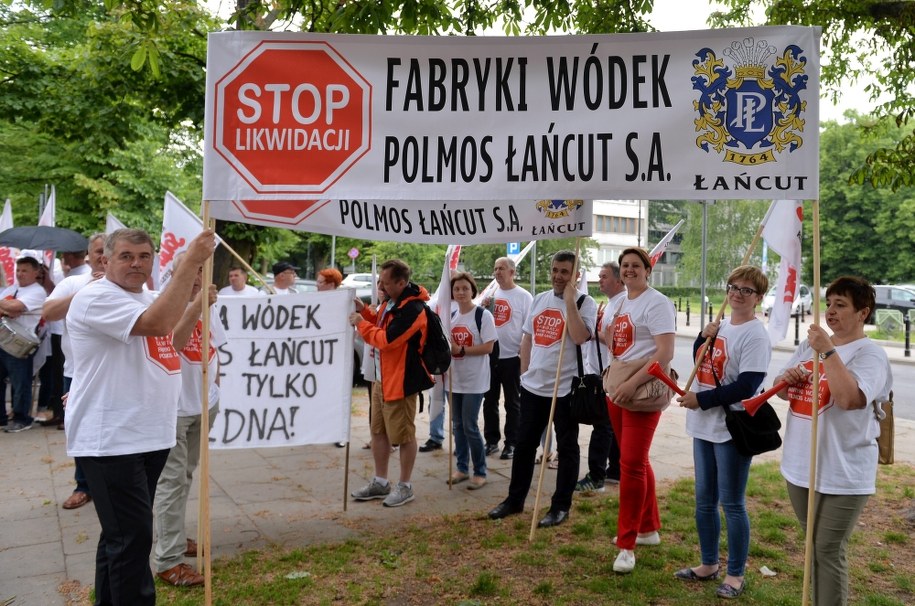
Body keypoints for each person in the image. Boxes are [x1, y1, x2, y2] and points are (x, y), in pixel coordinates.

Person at [65, 227, 215, 605]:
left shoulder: (147, 296)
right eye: (126, 256)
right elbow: (156, 325)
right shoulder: (97, 297)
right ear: (106, 260)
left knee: (119, 536)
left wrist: (195, 306)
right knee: (132, 539)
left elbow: (169, 342)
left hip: (147, 435)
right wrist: (193, 262)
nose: (136, 263)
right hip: (112, 438)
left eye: (144, 256)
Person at [773, 276, 892, 606]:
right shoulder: (806, 345)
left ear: (862, 313)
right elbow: (781, 391)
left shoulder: (871, 355)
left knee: (827, 548)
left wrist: (827, 351)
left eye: (841, 305)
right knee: (813, 547)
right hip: (800, 465)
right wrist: (787, 378)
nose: (831, 311)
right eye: (829, 303)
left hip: (844, 471)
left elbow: (848, 399)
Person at [674, 266, 771, 599]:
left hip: (730, 427)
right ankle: (708, 564)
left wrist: (700, 400)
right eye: (733, 287)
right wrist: (703, 337)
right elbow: (703, 362)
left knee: (731, 503)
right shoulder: (722, 325)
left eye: (746, 290)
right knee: (704, 502)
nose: (737, 293)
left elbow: (747, 385)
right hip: (703, 425)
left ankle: (735, 575)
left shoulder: (756, 335)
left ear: (758, 297)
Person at [487, 250, 596, 528]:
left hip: (565, 389)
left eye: (565, 272)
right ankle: (514, 500)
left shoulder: (586, 302)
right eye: (555, 270)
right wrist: (525, 375)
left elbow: (581, 336)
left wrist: (570, 302)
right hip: (534, 387)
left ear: (576, 275)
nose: (558, 276)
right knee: (524, 445)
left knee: (567, 448)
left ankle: (560, 506)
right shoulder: (539, 299)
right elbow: (528, 338)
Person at [604, 247, 675, 574]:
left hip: (642, 390)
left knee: (630, 463)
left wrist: (633, 383)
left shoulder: (657, 302)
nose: (629, 270)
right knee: (636, 460)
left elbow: (664, 352)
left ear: (648, 269)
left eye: (636, 265)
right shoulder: (620, 301)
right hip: (617, 387)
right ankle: (648, 528)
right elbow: (615, 341)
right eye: (625, 266)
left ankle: (627, 544)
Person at [153, 253, 221, 588]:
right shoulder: (162, 304)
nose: (196, 277)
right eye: (190, 270)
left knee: (186, 476)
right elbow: (172, 343)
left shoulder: (206, 303)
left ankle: (175, 539)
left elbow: (213, 346)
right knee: (171, 482)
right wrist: (196, 305)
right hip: (174, 411)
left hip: (200, 406)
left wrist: (215, 389)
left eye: (200, 270)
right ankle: (168, 560)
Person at [348, 259, 434, 508]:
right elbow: (379, 320)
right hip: (380, 378)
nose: (381, 287)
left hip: (401, 382)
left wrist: (360, 323)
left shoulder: (414, 310)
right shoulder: (391, 301)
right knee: (378, 431)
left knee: (404, 435)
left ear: (401, 282)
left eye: (385, 283)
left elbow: (387, 339)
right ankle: (380, 481)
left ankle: (405, 486)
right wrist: (364, 311)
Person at [42, 233, 106, 510]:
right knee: (79, 429)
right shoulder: (73, 282)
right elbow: (50, 312)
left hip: (112, 376)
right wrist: (83, 294)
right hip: (77, 373)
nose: (103, 256)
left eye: (108, 250)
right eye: (98, 251)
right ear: (89, 255)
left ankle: (110, 485)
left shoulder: (128, 285)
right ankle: (84, 485)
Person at [575, 261, 625, 493]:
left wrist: (593, 332)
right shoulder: (612, 304)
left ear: (618, 280)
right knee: (611, 425)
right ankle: (615, 470)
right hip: (601, 370)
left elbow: (615, 341)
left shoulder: (622, 304)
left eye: (604, 276)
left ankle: (597, 476)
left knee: (602, 425)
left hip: (609, 372)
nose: (600, 279)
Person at [446, 272, 497, 490]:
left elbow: (489, 347)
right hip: (453, 379)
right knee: (457, 425)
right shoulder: (450, 315)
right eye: (457, 289)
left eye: (465, 288)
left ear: (472, 290)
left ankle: (480, 471)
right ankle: (461, 468)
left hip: (475, 380)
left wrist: (462, 349)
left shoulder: (483, 316)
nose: (461, 292)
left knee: (469, 425)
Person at [481, 257, 532, 460]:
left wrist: (525, 354)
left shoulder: (524, 297)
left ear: (512, 272)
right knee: (489, 400)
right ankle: (491, 441)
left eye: (501, 268)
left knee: (513, 403)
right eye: (495, 268)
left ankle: (512, 443)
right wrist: (482, 309)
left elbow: (530, 328)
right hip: (491, 357)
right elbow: (482, 323)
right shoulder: (491, 294)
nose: (497, 272)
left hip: (512, 357)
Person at [0, 252, 51, 432]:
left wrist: (8, 307)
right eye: (18, 270)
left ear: (35, 272)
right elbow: (8, 307)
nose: (20, 274)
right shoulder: (12, 288)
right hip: (4, 339)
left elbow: (15, 307)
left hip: (21, 342)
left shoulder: (37, 291)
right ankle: (2, 417)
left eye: (24, 271)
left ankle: (22, 417)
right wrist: (6, 308)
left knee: (20, 382)